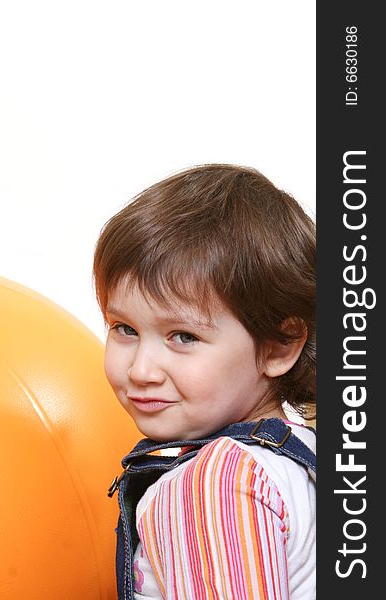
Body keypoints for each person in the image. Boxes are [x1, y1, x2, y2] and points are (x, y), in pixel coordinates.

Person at [93, 164, 316, 599]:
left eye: (183, 336)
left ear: (278, 346)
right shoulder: (303, 451)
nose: (141, 370)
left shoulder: (214, 485)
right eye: (124, 328)